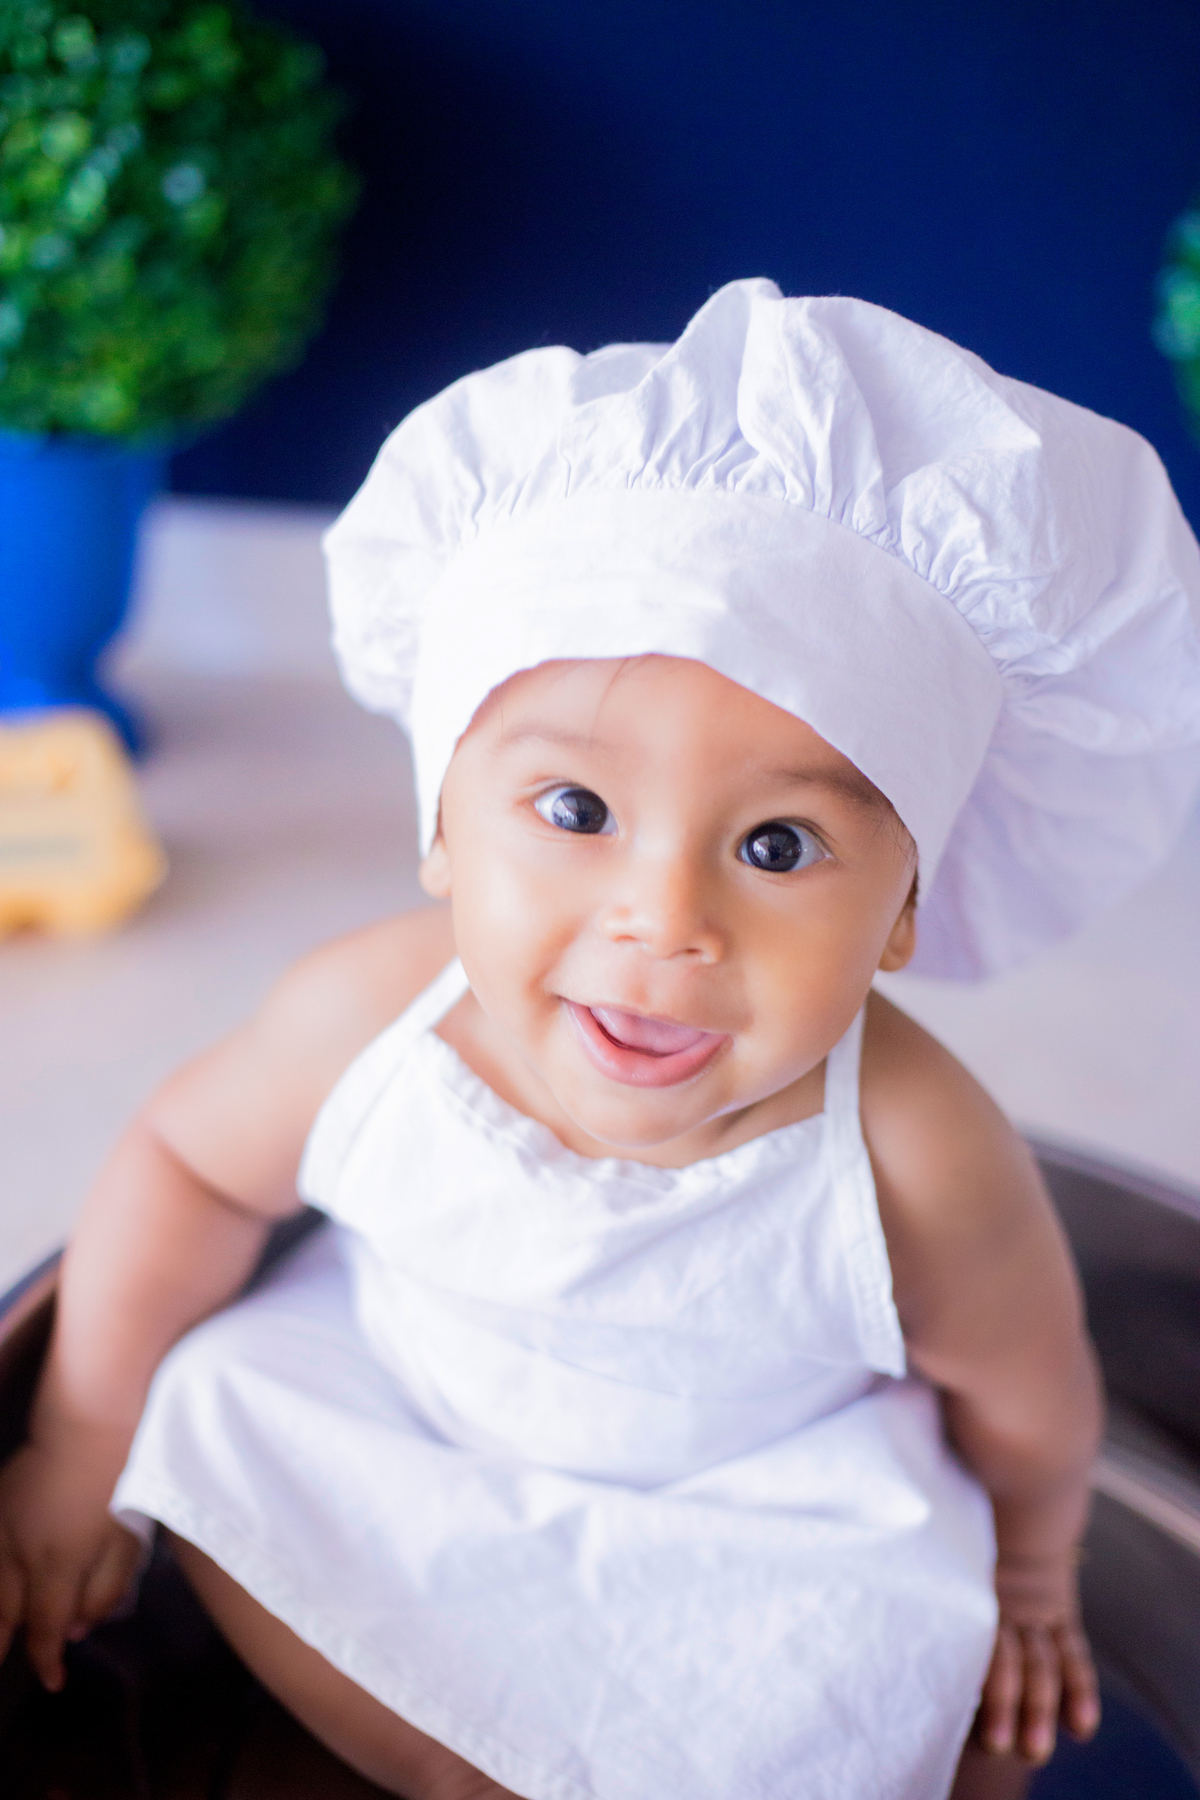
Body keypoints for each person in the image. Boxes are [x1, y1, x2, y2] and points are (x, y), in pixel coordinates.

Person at [2, 279, 1199, 1800]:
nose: (662, 919)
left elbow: (1032, 1392)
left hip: (758, 1521)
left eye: (777, 847)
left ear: (904, 914)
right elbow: (186, 1168)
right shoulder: (375, 1016)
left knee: (897, 1685)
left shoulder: (912, 1147)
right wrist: (76, 1442)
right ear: (440, 823)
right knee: (214, 1412)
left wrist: (1034, 1581)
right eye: (574, 812)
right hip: (398, 1430)